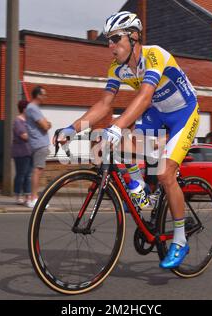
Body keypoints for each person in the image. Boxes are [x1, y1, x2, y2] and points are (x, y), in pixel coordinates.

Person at [53, 11, 200, 269]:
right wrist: (71, 128)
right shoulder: (117, 68)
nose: (110, 46)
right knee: (102, 143)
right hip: (157, 113)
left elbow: (144, 97)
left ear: (133, 37)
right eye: (108, 40)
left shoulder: (155, 55)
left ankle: (179, 239)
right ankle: (139, 187)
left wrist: (118, 127)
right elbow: (104, 103)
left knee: (165, 174)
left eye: (115, 39)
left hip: (183, 113)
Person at [25, 86, 52, 208]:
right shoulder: (33, 108)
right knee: (37, 170)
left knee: (37, 170)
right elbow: (45, 125)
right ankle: (33, 198)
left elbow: (46, 124)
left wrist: (47, 123)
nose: (45, 97)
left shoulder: (33, 108)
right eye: (44, 94)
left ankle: (33, 197)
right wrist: (46, 124)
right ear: (38, 95)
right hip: (39, 143)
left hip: (38, 143)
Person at [12, 100, 33, 205]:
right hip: (20, 152)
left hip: (30, 152)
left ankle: (27, 196)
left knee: (28, 175)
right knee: (21, 174)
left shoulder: (28, 121)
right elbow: (24, 135)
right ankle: (17, 195)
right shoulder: (18, 121)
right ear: (24, 109)